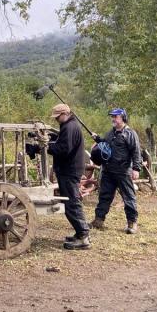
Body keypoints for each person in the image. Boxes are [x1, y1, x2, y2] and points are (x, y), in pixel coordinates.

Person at [43, 103, 90, 250]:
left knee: (72, 203)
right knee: (71, 202)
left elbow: (63, 149)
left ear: (65, 114)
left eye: (58, 117)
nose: (56, 120)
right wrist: (53, 139)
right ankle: (80, 233)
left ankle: (83, 236)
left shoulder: (69, 127)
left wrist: (45, 146)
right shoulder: (70, 125)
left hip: (70, 170)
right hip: (70, 169)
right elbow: (63, 142)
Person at [91, 108, 142, 234]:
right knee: (104, 196)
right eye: (112, 117)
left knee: (128, 197)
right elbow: (106, 145)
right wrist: (98, 139)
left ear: (123, 118)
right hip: (108, 171)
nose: (113, 119)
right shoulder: (110, 133)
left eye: (115, 116)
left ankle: (132, 223)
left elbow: (136, 152)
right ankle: (98, 220)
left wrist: (136, 168)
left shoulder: (130, 133)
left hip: (123, 171)